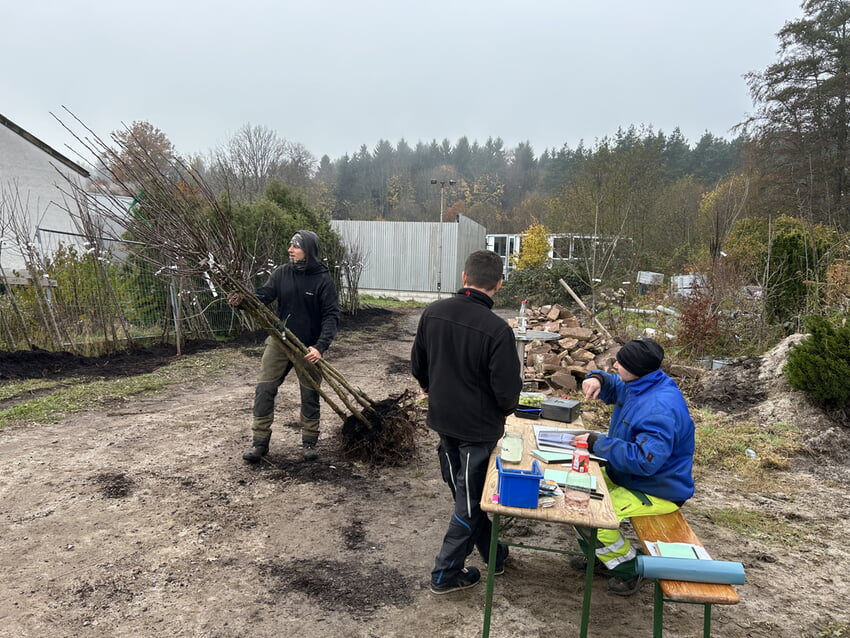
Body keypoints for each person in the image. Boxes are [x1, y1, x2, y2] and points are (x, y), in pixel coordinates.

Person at [411, 249, 523, 594]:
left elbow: (419, 364)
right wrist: (502, 412)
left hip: (444, 423)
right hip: (478, 432)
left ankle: (495, 554)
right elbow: (507, 392)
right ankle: (444, 575)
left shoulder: (434, 313)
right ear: (499, 284)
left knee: (467, 499)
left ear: (464, 278)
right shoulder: (498, 330)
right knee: (469, 502)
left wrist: (431, 388)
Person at [572, 337, 695, 595]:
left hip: (655, 488)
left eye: (621, 363)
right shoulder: (640, 382)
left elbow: (644, 460)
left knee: (593, 515)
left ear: (637, 369)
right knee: (573, 490)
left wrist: (598, 443)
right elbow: (615, 384)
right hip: (628, 475)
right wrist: (598, 379)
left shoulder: (659, 408)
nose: (615, 365)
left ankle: (632, 568)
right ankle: (604, 557)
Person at [228, 230, 339, 463]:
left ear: (308, 251)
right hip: (279, 341)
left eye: (295, 246)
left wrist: (319, 347)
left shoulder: (323, 280)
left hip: (307, 348)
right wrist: (243, 300)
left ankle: (309, 442)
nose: (290, 249)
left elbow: (331, 316)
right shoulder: (282, 273)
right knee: (264, 389)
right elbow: (263, 296)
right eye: (290, 245)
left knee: (310, 394)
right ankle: (259, 443)